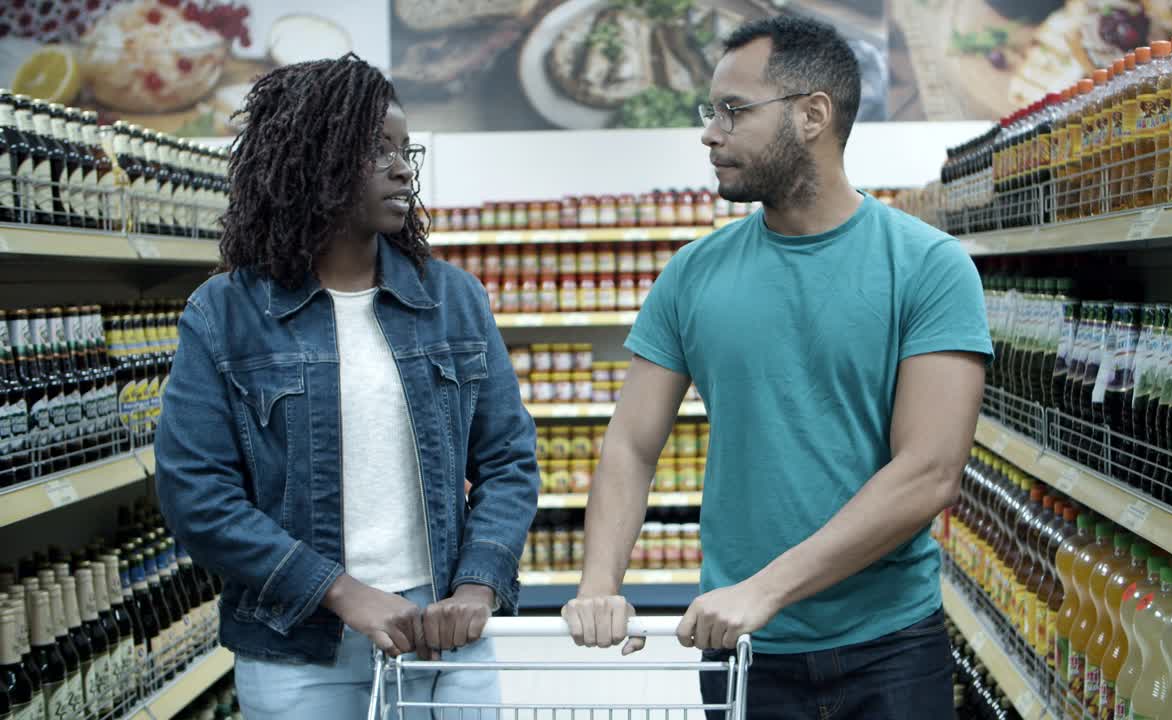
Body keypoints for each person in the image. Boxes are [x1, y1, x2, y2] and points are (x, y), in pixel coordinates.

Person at [560, 17, 991, 719]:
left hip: (888, 647)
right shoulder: (692, 275)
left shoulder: (927, 267)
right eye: (710, 112)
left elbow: (928, 471)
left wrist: (766, 589)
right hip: (743, 651)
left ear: (812, 115)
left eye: (733, 110)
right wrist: (599, 584)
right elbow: (631, 445)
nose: (710, 134)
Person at [154, 55, 539, 719]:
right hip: (297, 642)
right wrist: (341, 592)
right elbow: (196, 494)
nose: (403, 169)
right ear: (313, 158)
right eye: (376, 149)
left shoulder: (451, 299)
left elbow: (509, 460)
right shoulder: (225, 313)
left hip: (444, 633)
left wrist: (478, 585)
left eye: (404, 149)